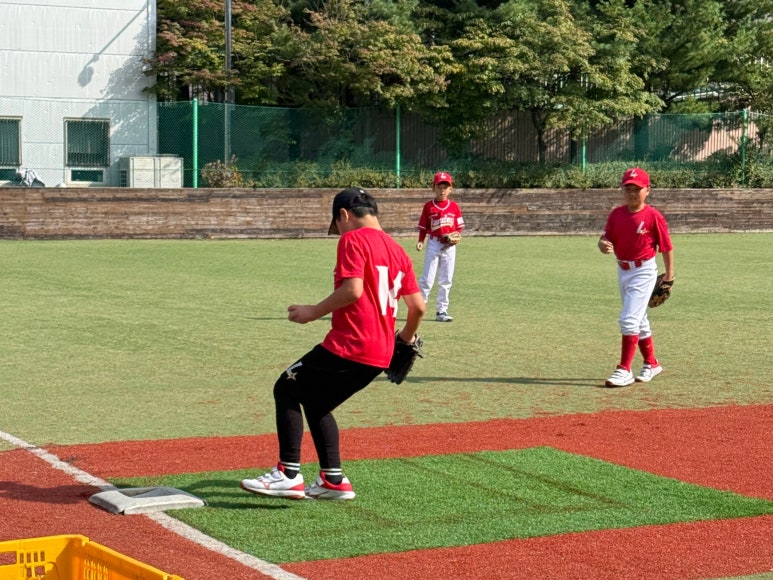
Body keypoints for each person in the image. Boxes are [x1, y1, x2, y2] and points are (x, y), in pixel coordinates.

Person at [241, 187, 426, 500]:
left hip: (351, 344)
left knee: (285, 387)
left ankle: (288, 474)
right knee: (316, 402)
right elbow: (418, 307)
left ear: (344, 215)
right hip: (380, 353)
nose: (339, 231)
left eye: (337, 225)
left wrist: (312, 312)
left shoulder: (353, 239)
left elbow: (353, 290)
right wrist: (405, 339)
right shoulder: (398, 251)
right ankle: (333, 480)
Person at [598, 167, 674, 387]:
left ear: (647, 190)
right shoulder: (617, 214)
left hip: (644, 271)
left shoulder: (653, 216)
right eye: (628, 189)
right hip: (623, 270)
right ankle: (651, 363)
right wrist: (602, 244)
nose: (632, 193)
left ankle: (624, 369)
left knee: (629, 319)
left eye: (637, 189)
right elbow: (606, 237)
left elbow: (666, 247)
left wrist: (669, 276)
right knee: (639, 320)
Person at [416, 171, 465, 322]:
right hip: (434, 243)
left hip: (449, 246)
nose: (442, 190)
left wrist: (456, 236)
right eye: (439, 187)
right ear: (433, 188)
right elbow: (423, 227)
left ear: (450, 189)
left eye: (445, 187)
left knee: (446, 279)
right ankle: (419, 308)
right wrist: (421, 240)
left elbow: (459, 227)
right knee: (427, 278)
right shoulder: (428, 206)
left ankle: (441, 311)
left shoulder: (454, 207)